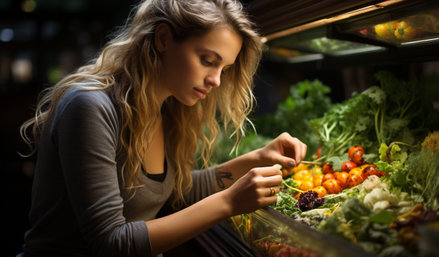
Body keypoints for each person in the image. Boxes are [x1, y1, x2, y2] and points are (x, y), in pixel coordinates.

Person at [18, 0, 307, 256]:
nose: (216, 80)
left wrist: (256, 159)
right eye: (208, 61)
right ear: (164, 38)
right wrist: (229, 202)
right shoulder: (90, 106)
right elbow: (111, 243)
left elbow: (175, 190)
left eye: (225, 69)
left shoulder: (167, 108)